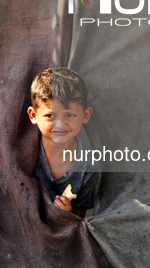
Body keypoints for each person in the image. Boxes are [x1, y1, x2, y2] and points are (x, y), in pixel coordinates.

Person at [27, 67, 99, 218]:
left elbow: (79, 217)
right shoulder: (25, 150)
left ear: (85, 115)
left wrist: (66, 214)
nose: (60, 124)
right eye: (50, 115)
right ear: (33, 115)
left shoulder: (88, 167)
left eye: (70, 115)